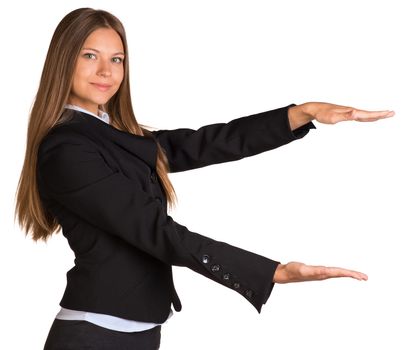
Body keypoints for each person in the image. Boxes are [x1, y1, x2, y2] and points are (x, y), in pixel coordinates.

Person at [14, 7, 394, 350]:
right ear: (63, 61)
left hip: (139, 330)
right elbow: (154, 230)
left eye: (117, 59)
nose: (106, 71)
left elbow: (202, 144)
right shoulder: (67, 149)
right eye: (89, 56)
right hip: (94, 335)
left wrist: (300, 113)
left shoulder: (113, 133)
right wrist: (270, 272)